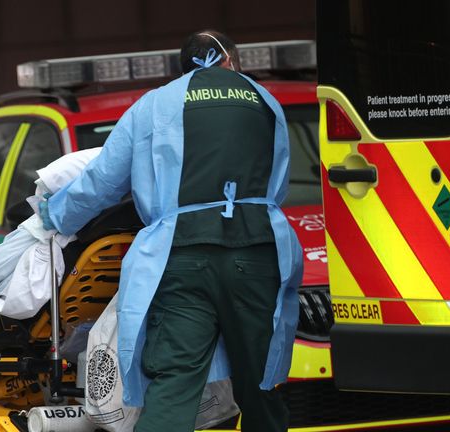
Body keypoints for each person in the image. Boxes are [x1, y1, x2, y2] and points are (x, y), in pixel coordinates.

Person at [39, 30, 303, 432]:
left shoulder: (154, 104)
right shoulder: (264, 100)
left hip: (181, 257)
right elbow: (277, 183)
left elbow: (104, 180)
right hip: (256, 251)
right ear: (231, 60)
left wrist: (55, 215)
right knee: (259, 380)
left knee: (175, 382)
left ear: (184, 66)